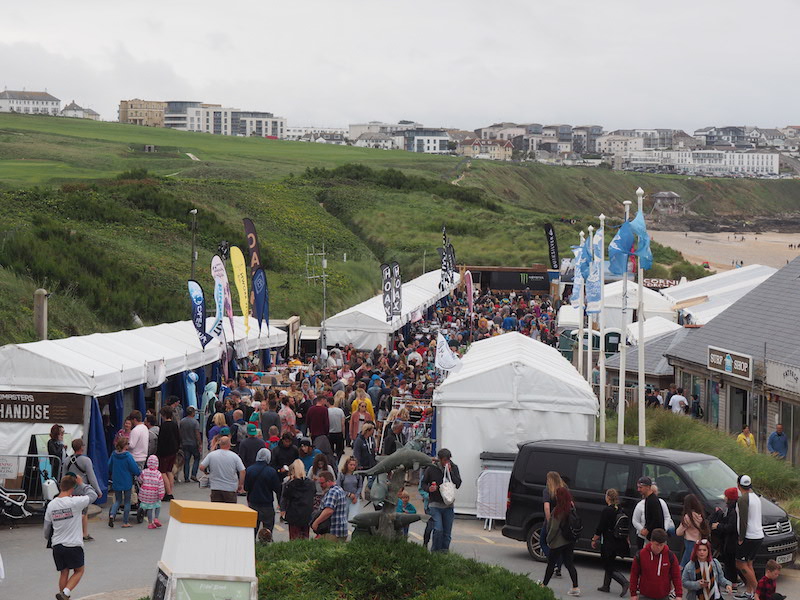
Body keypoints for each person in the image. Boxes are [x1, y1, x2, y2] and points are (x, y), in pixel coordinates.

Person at [44, 474, 98, 600]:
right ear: (72, 488)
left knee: (64, 572)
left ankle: (63, 596)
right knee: (79, 571)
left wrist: (49, 540)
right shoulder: (75, 502)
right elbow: (93, 495)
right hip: (73, 544)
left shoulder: (51, 505)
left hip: (57, 544)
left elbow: (46, 529)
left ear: (60, 487)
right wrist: (82, 483)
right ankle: (66, 593)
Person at [421, 448, 462, 553]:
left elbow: (458, 484)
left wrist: (451, 472)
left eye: (448, 460)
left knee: (447, 533)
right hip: (435, 504)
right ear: (439, 459)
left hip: (448, 505)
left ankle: (444, 553)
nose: (446, 462)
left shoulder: (454, 467)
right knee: (438, 529)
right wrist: (429, 489)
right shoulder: (432, 469)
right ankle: (435, 552)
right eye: (444, 460)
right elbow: (423, 483)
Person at [542, 486, 580, 595]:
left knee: (551, 564)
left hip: (558, 542)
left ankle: (544, 585)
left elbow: (553, 528)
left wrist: (548, 539)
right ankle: (575, 587)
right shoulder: (571, 507)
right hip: (569, 541)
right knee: (569, 564)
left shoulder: (557, 510)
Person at [591, 488, 629, 596]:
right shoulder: (621, 509)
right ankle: (606, 585)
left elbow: (601, 527)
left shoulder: (607, 510)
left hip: (608, 540)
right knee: (610, 562)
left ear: (608, 497)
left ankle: (624, 582)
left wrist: (594, 539)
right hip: (618, 540)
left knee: (606, 564)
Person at [61, 439, 100, 542]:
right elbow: (92, 477)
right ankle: (79, 533)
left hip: (70, 490)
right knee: (82, 512)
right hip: (82, 490)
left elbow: (63, 477)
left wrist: (63, 491)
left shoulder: (67, 460)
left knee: (79, 512)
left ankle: (84, 533)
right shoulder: (86, 460)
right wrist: (97, 490)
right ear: (82, 447)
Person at [630, 528, 682, 600]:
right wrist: (633, 593)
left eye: (661, 545)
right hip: (645, 595)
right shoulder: (641, 554)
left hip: (664, 596)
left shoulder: (670, 556)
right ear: (651, 541)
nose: (659, 548)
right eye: (656, 545)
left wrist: (679, 595)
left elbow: (676, 576)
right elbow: (634, 574)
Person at [735, 474, 764, 600]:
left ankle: (758, 592)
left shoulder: (743, 499)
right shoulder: (756, 497)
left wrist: (741, 537)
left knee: (740, 564)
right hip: (758, 534)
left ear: (738, 485)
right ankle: (749, 591)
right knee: (749, 563)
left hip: (749, 535)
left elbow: (743, 520)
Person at [244, 448, 282, 542]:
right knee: (267, 529)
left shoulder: (249, 469)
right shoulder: (271, 471)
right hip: (267, 504)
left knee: (252, 530)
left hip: (253, 504)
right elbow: (277, 488)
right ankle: (265, 546)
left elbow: (246, 488)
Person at [199, 436, 246, 503]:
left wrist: (206, 472)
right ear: (229, 444)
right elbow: (242, 471)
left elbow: (201, 467)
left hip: (215, 487)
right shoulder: (234, 456)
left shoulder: (212, 455)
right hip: (230, 488)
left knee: (217, 510)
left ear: (219, 444)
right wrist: (240, 484)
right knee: (230, 510)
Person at [107, 437, 140, 528]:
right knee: (127, 501)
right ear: (125, 446)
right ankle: (125, 522)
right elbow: (134, 468)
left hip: (116, 479)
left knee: (117, 500)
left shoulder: (114, 454)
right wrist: (138, 473)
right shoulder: (128, 456)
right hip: (127, 480)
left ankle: (112, 515)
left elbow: (109, 466)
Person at [710, 487, 740, 585]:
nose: (724, 498)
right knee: (730, 562)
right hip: (730, 540)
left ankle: (732, 583)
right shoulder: (733, 508)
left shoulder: (733, 511)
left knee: (730, 562)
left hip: (731, 541)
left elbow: (731, 527)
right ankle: (732, 581)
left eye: (726, 496)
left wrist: (718, 526)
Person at [280, 459, 316, 540]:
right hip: (306, 515)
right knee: (305, 538)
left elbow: (285, 497)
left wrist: (283, 510)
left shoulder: (290, 484)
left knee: (294, 538)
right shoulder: (310, 483)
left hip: (294, 515)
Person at [311, 471, 350, 542]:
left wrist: (316, 523)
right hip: (341, 530)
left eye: (322, 483)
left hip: (333, 532)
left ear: (329, 481)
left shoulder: (332, 492)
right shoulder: (339, 489)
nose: (320, 485)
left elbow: (328, 511)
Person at [542, 471, 566, 576]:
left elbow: (547, 507)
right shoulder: (564, 490)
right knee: (558, 545)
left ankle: (554, 563)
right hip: (562, 520)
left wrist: (548, 521)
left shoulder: (548, 491)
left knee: (543, 541)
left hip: (552, 520)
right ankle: (559, 567)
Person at [677, 494, 711, 567]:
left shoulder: (688, 517)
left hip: (689, 541)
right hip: (698, 541)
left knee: (685, 564)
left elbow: (679, 532)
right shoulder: (700, 515)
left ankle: (682, 577)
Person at [156, 406, 180, 501]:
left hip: (164, 452)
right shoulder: (174, 425)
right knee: (169, 471)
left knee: (162, 472)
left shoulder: (164, 426)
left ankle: (168, 492)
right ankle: (170, 490)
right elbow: (178, 437)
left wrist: (158, 453)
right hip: (173, 451)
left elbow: (161, 441)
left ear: (164, 415)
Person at [137, 455, 166, 529]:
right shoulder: (158, 473)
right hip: (155, 493)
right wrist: (161, 494)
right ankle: (156, 518)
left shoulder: (144, 472)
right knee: (158, 505)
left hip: (146, 493)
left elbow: (140, 480)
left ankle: (150, 523)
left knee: (149, 508)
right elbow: (161, 485)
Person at [336, 456, 363, 523]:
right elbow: (338, 487)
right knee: (344, 517)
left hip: (355, 499)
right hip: (344, 498)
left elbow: (360, 486)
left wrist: (356, 496)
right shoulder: (342, 475)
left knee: (353, 517)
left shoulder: (358, 475)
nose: (352, 467)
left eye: (354, 465)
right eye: (351, 465)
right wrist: (348, 494)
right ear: (347, 465)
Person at [637, 476, 665, 541]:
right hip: (651, 535)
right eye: (638, 487)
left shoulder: (653, 501)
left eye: (640, 487)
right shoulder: (648, 499)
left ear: (648, 487)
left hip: (656, 537)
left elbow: (656, 518)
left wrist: (647, 529)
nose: (638, 490)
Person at [179, 406, 201, 484]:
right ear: (193, 413)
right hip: (193, 443)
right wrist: (199, 443)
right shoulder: (195, 422)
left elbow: (180, 432)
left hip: (184, 443)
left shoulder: (182, 421)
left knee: (186, 460)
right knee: (197, 458)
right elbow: (197, 434)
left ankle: (186, 477)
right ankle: (193, 474)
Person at [326, 394, 346, 459]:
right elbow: (342, 423)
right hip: (339, 433)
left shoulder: (326, 411)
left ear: (327, 402)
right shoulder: (340, 411)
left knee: (330, 450)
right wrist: (343, 434)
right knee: (339, 451)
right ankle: (338, 460)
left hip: (330, 433)